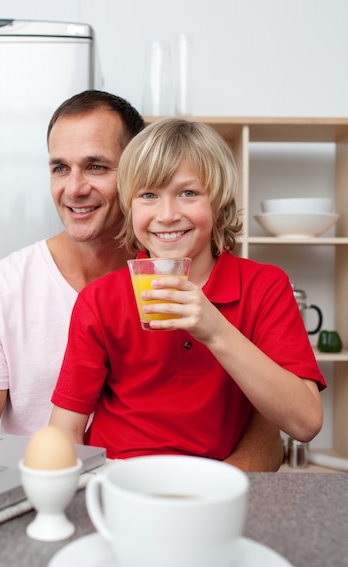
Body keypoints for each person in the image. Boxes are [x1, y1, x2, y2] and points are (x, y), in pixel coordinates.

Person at [0, 92, 285, 470]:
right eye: (60, 168)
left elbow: (274, 430)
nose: (74, 188)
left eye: (96, 167)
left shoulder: (205, 280)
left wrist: (192, 499)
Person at [49, 118, 325, 461]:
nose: (166, 215)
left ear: (218, 200)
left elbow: (306, 423)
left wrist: (215, 330)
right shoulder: (99, 300)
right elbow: (66, 428)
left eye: (188, 193)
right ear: (129, 206)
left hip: (214, 486)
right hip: (119, 480)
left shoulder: (265, 286)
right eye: (148, 195)